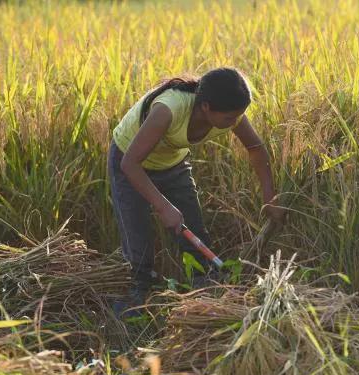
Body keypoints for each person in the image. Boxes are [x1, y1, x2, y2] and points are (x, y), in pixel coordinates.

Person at [107, 67, 285, 317]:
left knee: (194, 230)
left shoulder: (230, 113)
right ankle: (136, 300)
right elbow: (129, 164)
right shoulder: (168, 110)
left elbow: (256, 148)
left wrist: (270, 197)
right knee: (137, 238)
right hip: (130, 161)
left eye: (239, 116)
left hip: (172, 163)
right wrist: (163, 206)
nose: (234, 122)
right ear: (205, 107)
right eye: (228, 118)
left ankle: (202, 295)